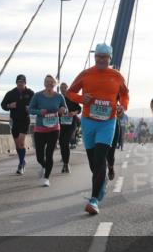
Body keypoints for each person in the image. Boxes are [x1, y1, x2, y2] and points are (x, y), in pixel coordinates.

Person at [66, 44, 129, 215]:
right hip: (88, 122)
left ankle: (94, 200)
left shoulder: (116, 76)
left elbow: (124, 94)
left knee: (100, 158)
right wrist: (81, 98)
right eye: (98, 56)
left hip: (108, 122)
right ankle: (101, 183)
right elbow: (70, 92)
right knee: (94, 163)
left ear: (110, 58)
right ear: (95, 58)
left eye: (104, 57)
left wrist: (122, 106)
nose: (101, 59)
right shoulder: (86, 74)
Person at [28, 75, 68, 186]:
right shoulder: (37, 96)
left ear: (55, 84)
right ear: (44, 83)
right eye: (47, 81)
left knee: (49, 154)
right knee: (39, 156)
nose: (49, 83)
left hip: (54, 129)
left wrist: (63, 110)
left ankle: (46, 178)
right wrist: (39, 112)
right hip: (40, 129)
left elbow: (65, 109)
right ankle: (43, 166)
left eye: (52, 82)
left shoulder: (59, 97)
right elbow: (30, 110)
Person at [1, 75, 34, 175]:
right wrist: (9, 106)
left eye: (22, 82)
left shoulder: (30, 93)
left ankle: (21, 164)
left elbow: (36, 105)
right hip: (14, 120)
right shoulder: (11, 93)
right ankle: (22, 160)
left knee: (21, 143)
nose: (20, 83)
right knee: (17, 144)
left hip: (25, 120)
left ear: (25, 83)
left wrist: (30, 108)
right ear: (16, 82)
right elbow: (3, 105)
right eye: (19, 81)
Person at [58, 81, 81, 172]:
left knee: (66, 141)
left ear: (67, 88)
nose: (63, 89)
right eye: (61, 88)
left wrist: (74, 113)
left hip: (71, 123)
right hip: (60, 124)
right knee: (61, 143)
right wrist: (59, 111)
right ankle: (64, 161)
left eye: (65, 88)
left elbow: (79, 109)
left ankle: (66, 164)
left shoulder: (72, 97)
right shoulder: (58, 98)